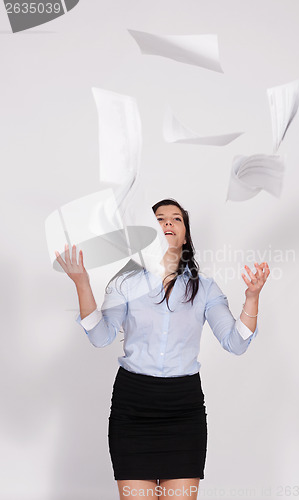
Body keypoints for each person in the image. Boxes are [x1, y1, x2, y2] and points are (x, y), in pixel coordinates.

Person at [55, 198, 270, 500]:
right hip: (133, 409)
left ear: (186, 235)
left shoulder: (206, 288)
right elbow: (101, 336)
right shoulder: (125, 284)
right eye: (159, 219)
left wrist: (251, 298)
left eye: (176, 219)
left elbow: (235, 343)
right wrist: (82, 283)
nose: (168, 223)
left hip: (183, 411)